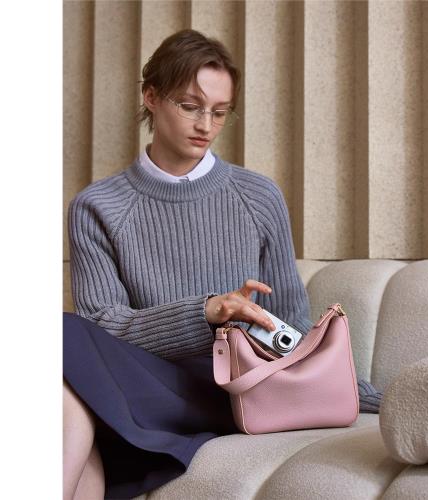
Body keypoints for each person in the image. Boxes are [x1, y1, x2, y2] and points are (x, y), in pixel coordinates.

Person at [63, 29, 382, 500]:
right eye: (190, 106)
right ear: (151, 97)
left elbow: (292, 326)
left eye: (219, 112)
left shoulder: (258, 197)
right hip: (139, 381)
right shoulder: (97, 206)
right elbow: (101, 328)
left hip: (234, 386)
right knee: (63, 348)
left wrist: (370, 394)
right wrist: (206, 312)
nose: (205, 125)